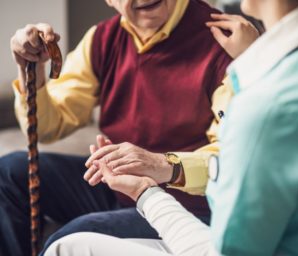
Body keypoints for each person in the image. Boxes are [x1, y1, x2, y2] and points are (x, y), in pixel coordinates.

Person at [0, 0, 260, 255]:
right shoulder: (101, 39)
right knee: (9, 171)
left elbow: (231, 159)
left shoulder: (225, 42)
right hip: (120, 186)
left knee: (68, 240)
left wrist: (160, 165)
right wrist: (30, 70)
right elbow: (48, 127)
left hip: (192, 206)